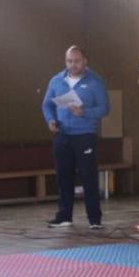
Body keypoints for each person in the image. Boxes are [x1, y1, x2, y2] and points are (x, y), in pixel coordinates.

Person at [41, 45, 110, 229]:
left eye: (77, 61)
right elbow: (47, 105)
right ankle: (64, 216)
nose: (73, 65)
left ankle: (94, 219)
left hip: (84, 135)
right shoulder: (56, 81)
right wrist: (51, 120)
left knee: (88, 177)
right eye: (69, 61)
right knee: (63, 177)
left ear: (85, 61)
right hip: (62, 135)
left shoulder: (95, 81)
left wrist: (84, 112)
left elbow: (104, 108)